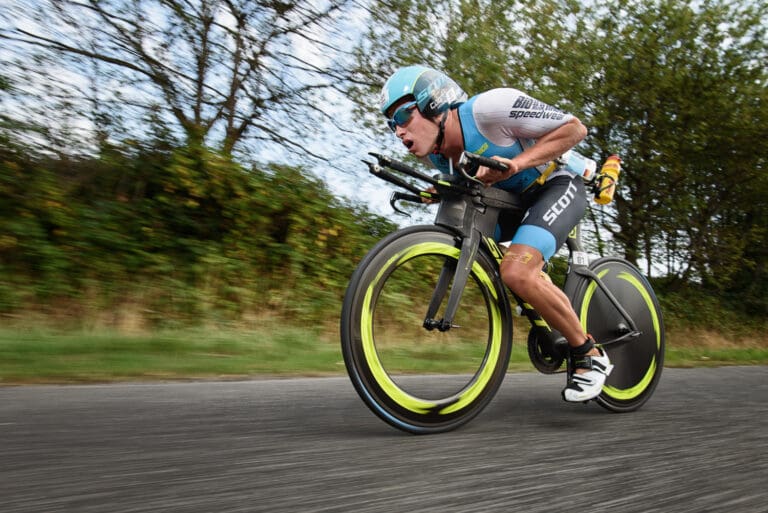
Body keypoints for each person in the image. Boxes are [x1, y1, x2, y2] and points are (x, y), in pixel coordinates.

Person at [379, 65, 613, 402]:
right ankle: (544, 300)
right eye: (391, 124)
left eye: (402, 116)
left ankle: (589, 355)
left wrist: (517, 163)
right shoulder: (438, 157)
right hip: (513, 205)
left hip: (555, 184)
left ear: (432, 103)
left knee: (517, 270)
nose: (397, 131)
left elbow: (575, 129)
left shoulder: (490, 109)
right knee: (495, 257)